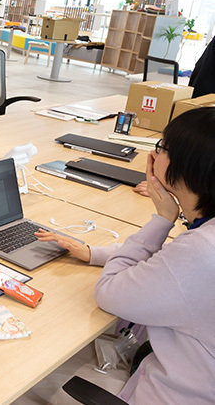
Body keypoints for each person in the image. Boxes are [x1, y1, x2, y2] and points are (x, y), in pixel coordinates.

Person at [34, 107, 215, 404]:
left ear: (187, 167)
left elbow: (109, 292)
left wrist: (162, 218)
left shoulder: (200, 252)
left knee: (30, 383)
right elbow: (170, 266)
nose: (154, 156)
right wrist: (94, 253)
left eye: (161, 148)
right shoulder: (205, 236)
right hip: (190, 375)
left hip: (168, 392)